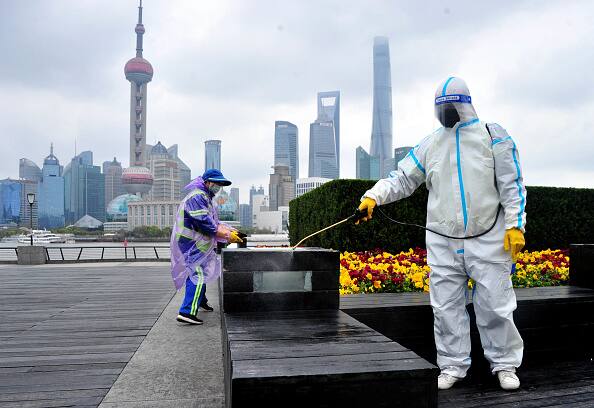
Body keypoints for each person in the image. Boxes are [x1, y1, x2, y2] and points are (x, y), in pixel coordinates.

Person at [357, 77, 526, 391]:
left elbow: (512, 184)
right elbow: (402, 178)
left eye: (449, 106)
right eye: (441, 107)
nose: (445, 113)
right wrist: (374, 196)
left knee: (496, 307)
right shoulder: (431, 143)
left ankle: (504, 364)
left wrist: (515, 225)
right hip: (442, 241)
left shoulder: (493, 136)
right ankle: (452, 366)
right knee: (446, 308)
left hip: (488, 238)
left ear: (464, 103)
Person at [170, 169, 243, 325]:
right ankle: (187, 311)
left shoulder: (205, 197)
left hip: (197, 242)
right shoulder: (198, 196)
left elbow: (213, 221)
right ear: (207, 182)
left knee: (201, 271)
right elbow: (203, 220)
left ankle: (200, 300)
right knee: (197, 274)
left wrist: (230, 230)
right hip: (191, 242)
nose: (218, 187)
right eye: (217, 183)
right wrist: (222, 233)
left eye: (220, 184)